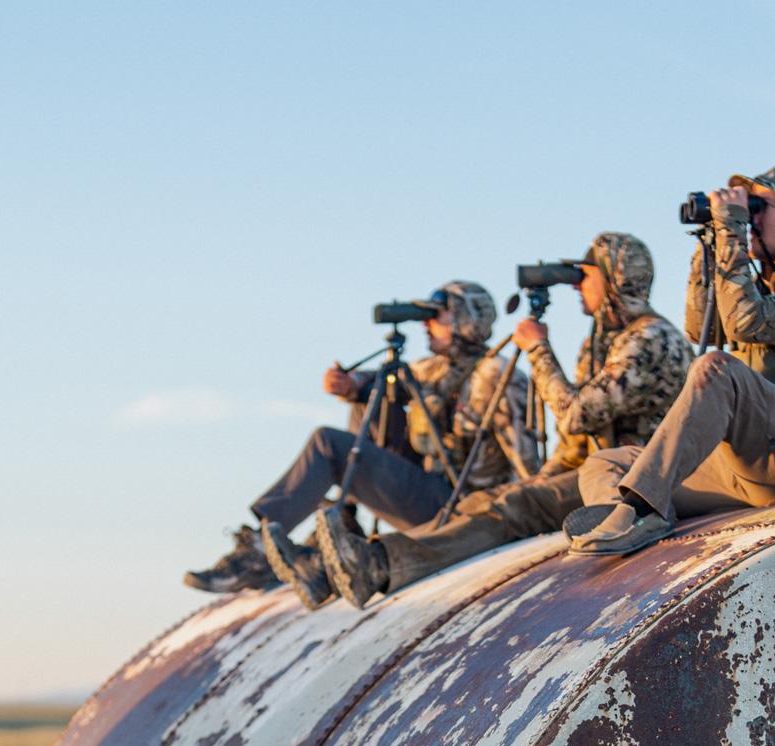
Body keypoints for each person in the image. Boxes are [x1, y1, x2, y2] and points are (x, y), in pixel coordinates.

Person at [284, 233, 692, 608]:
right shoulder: (603, 342)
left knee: (515, 504)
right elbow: (574, 447)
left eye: (583, 276)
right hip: (600, 473)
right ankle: (362, 561)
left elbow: (575, 417)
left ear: (614, 277)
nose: (573, 285)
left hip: (636, 477)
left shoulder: (652, 338)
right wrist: (541, 479)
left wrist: (538, 350)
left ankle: (381, 564)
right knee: (486, 503)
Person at [565, 162, 775, 556]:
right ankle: (623, 522)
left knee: (717, 369)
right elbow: (703, 329)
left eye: (758, 208)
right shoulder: (764, 286)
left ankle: (645, 510)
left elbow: (745, 324)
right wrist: (709, 246)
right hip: (749, 465)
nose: (749, 218)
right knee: (608, 463)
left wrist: (730, 228)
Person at [179, 282, 538, 602]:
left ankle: (259, 551)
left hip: (465, 510)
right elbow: (388, 379)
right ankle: (338, 528)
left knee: (328, 443)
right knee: (377, 394)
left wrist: (531, 525)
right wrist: (349, 386)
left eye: (436, 317)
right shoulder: (437, 370)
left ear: (466, 321)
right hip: (434, 493)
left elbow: (526, 460)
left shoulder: (498, 376)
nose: (425, 325)